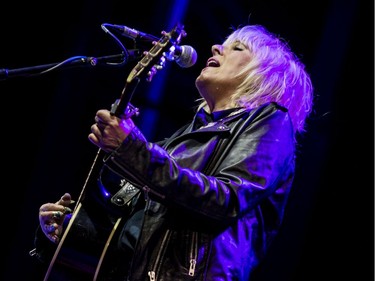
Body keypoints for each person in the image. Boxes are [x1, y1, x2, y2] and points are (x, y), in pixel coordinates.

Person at [33, 24, 314, 281]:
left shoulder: (273, 122)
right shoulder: (180, 140)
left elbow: (227, 199)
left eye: (237, 48)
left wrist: (132, 149)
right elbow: (131, 234)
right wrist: (70, 230)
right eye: (223, 44)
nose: (216, 48)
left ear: (265, 76)